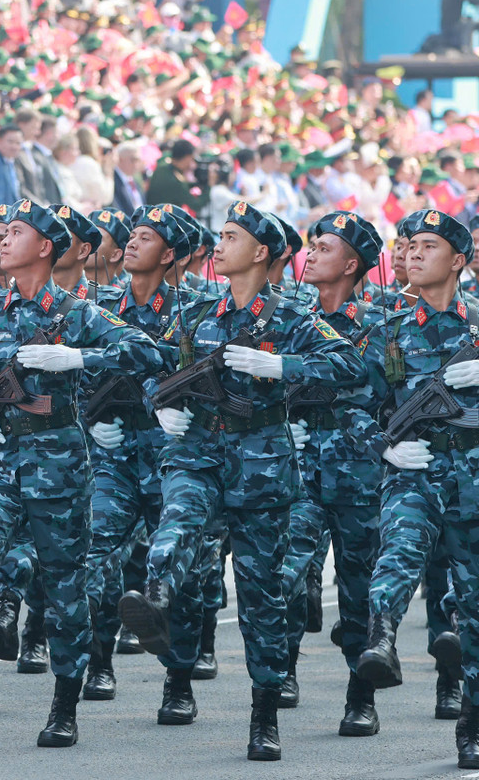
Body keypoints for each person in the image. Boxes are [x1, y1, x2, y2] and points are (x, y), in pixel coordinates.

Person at [119, 200, 365, 761]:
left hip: (261, 462)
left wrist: (286, 368)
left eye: (231, 236)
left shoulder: (292, 318)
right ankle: (159, 609)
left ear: (259, 252)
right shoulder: (198, 312)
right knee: (177, 524)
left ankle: (264, 713)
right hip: (198, 450)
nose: (220, 244)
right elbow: (151, 360)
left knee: (261, 594)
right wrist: (158, 404)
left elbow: (351, 367)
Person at [0, 199, 161, 747]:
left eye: (16, 232)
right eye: (0, 232)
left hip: (58, 461)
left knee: (63, 587)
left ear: (45, 247)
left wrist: (80, 359)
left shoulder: (78, 313)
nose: (3, 240)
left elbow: (145, 352)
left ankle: (63, 705)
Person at [351, 209, 479, 768]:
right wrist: (383, 445)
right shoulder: (388, 331)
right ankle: (381, 638)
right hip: (414, 470)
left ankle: (472, 723)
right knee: (398, 551)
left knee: (474, 606)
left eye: (431, 246)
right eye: (412, 245)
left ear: (459, 261)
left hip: (473, 478)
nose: (417, 254)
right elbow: (351, 405)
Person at [81, 205, 211, 706]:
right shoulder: (98, 304)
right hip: (112, 452)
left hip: (172, 454)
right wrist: (90, 418)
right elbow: (71, 372)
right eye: (131, 235)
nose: (132, 243)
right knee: (95, 553)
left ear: (171, 255)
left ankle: (178, 681)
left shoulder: (193, 313)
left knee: (181, 568)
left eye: (147, 238)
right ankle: (98, 661)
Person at [282, 210, 386, 735]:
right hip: (295, 469)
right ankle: (282, 669)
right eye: (312, 245)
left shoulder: (377, 327)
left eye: (325, 247)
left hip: (358, 476)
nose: (313, 254)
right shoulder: (287, 317)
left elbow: (388, 402)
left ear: (352, 264)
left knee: (357, 589)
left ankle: (360, 695)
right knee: (285, 570)